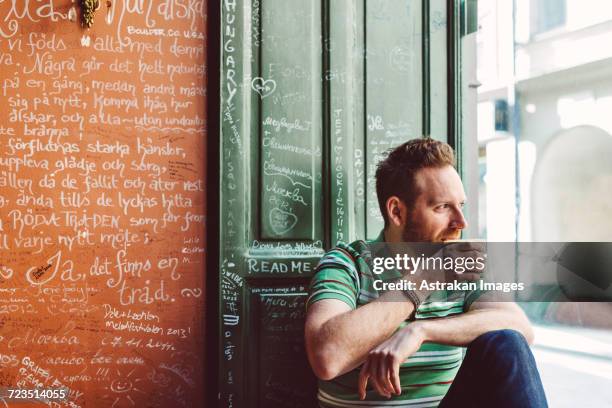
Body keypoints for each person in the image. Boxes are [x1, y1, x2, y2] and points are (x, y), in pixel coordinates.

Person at [304, 138, 548, 407]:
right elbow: (327, 357)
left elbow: (520, 328)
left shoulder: (461, 269)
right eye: (442, 207)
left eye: (461, 206)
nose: (460, 222)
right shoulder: (347, 263)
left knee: (507, 341)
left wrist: (420, 331)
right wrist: (427, 278)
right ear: (397, 211)